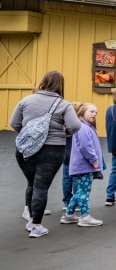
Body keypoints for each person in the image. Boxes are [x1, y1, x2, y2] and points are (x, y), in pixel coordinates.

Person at [12, 72, 81, 237]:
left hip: (25, 149)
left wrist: (30, 134)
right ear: (60, 85)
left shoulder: (26, 100)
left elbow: (14, 122)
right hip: (53, 148)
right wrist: (64, 133)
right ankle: (36, 226)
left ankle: (30, 220)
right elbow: (75, 126)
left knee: (31, 184)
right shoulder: (63, 104)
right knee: (41, 187)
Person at [65, 103, 104, 227]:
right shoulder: (83, 127)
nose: (94, 114)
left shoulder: (83, 127)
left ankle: (69, 215)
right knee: (84, 191)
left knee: (80, 190)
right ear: (82, 112)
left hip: (82, 165)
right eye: (91, 111)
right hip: (85, 165)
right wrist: (94, 160)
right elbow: (86, 146)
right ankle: (85, 217)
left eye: (96, 112)